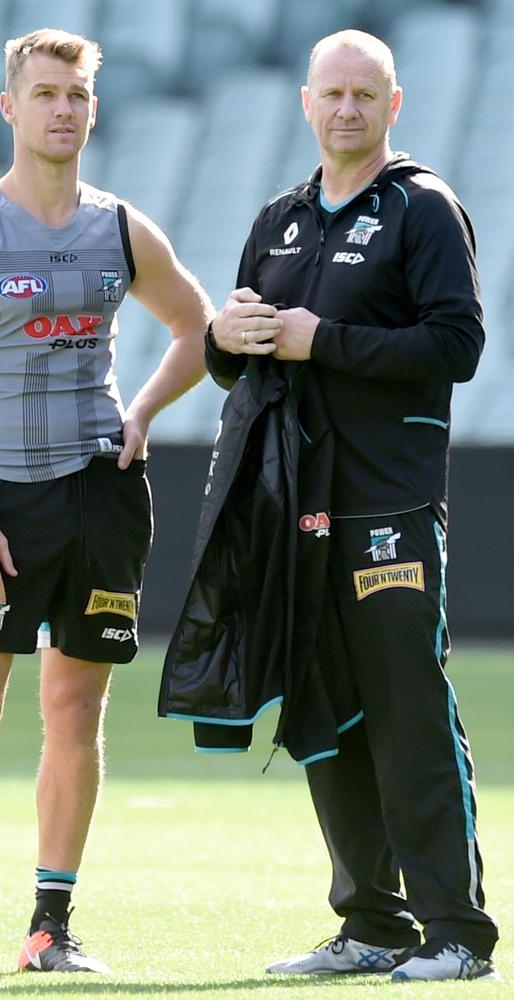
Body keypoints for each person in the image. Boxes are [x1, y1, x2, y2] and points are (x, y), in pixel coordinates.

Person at [162, 29, 498, 983]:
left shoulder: (424, 209)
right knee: (324, 718)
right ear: (307, 103)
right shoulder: (279, 218)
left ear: (393, 108)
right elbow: (246, 356)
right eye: (332, 94)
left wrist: (328, 342)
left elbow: (456, 346)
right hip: (294, 512)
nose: (347, 109)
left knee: (408, 713)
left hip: (387, 507)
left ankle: (457, 936)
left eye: (366, 95)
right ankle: (372, 926)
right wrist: (227, 337)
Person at [0, 28, 213, 977]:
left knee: (75, 710)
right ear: (9, 108)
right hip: (2, 507)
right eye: (45, 94)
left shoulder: (120, 229)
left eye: (76, 94)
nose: (62, 108)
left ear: (93, 108)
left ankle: (50, 928)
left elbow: (195, 329)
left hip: (102, 501)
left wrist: (143, 409)